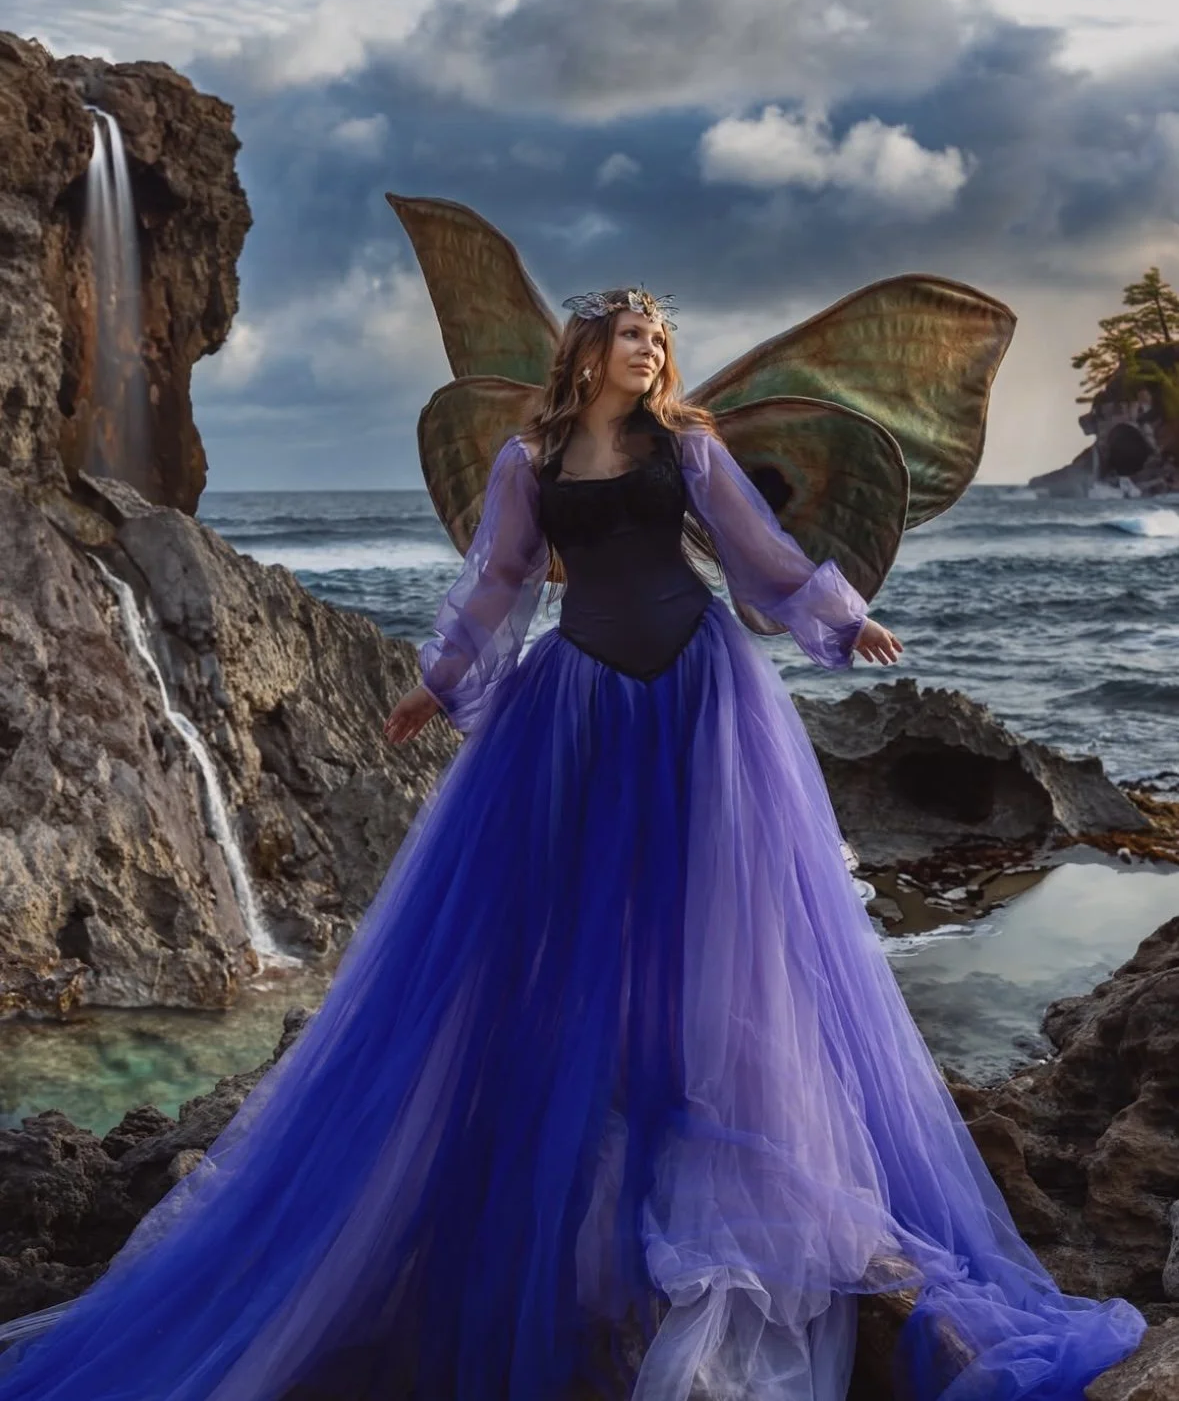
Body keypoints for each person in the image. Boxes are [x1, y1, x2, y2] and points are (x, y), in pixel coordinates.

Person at [0, 291, 1145, 1401]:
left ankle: (701, 1108)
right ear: (587, 350)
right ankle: (593, 1103)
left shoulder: (689, 447)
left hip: (700, 689)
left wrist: (841, 619)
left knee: (715, 910)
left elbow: (754, 553)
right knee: (575, 913)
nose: (649, 351)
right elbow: (499, 580)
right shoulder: (527, 463)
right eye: (631, 336)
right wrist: (434, 684)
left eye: (659, 338)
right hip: (583, 696)